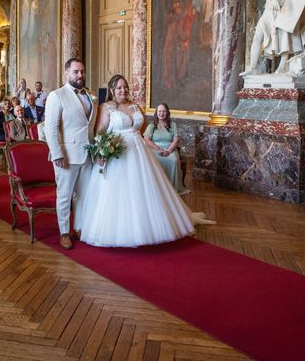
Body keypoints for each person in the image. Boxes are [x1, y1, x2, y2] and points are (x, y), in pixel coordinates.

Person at [78, 75, 214, 248]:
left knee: (145, 189)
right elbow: (99, 132)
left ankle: (152, 226)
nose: (123, 90)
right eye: (119, 88)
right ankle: (126, 230)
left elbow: (141, 131)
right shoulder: (106, 108)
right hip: (118, 155)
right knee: (122, 194)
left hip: (139, 153)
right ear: (112, 90)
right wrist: (102, 152)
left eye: (125, 87)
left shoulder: (135, 106)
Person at [44, 58, 97, 250]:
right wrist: (57, 154)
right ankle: (64, 232)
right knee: (65, 195)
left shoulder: (91, 96)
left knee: (83, 195)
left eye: (82, 71)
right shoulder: (56, 96)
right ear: (67, 73)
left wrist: (97, 149)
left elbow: (91, 127)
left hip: (88, 154)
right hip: (66, 155)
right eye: (76, 72)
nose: (80, 75)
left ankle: (79, 227)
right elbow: (49, 129)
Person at [143, 103, 188, 195]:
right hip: (155, 149)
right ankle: (156, 188)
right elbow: (146, 139)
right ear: (156, 113)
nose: (161, 113)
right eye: (159, 111)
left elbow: (176, 140)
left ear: (167, 113)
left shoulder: (173, 125)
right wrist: (158, 149)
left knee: (173, 160)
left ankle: (172, 188)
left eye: (164, 111)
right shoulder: (152, 126)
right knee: (153, 161)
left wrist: (168, 151)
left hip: (169, 149)